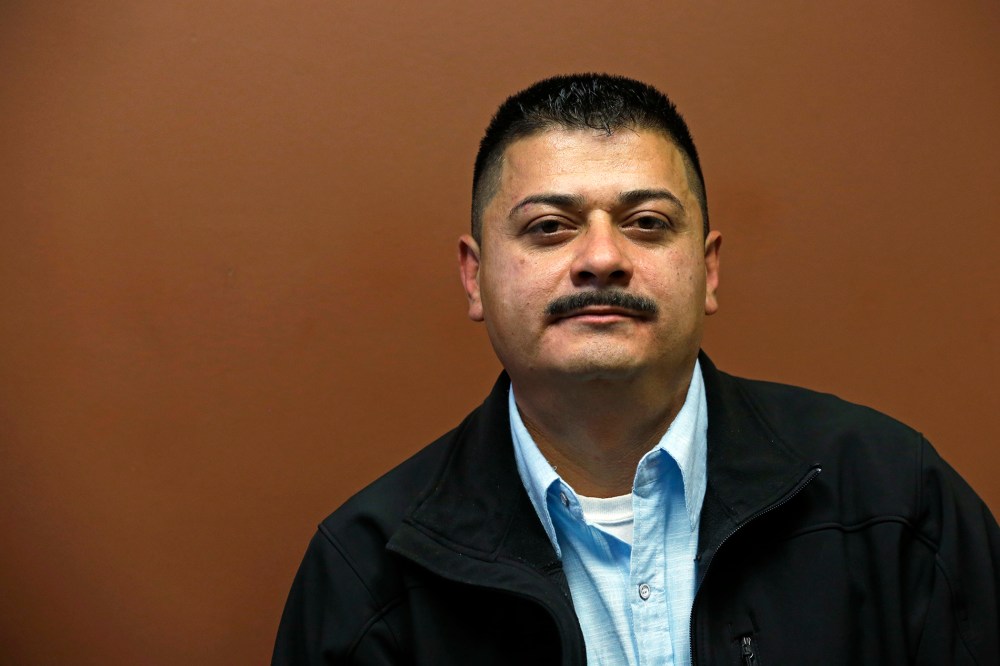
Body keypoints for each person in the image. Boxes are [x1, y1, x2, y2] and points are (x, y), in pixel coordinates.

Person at [272, 74, 999, 665]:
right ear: (475, 277)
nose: (601, 257)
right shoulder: (368, 569)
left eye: (647, 223)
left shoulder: (894, 495)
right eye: (549, 228)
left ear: (708, 270)